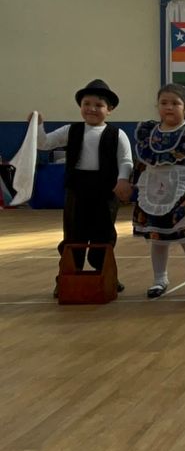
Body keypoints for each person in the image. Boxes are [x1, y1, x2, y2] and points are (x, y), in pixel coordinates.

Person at [37, 79, 133, 294]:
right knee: (73, 234)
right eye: (86, 104)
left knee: (104, 234)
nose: (91, 109)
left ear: (109, 110)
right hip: (77, 190)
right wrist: (38, 125)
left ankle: (106, 274)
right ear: (80, 107)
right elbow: (43, 144)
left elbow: (125, 161)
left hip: (106, 191)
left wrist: (123, 180)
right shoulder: (70, 130)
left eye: (98, 105)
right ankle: (66, 277)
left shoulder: (117, 135)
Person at [132, 83, 185, 298]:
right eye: (164, 103)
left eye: (175, 103)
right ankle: (159, 279)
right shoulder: (148, 132)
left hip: (184, 188)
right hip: (153, 188)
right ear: (158, 106)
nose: (169, 107)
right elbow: (141, 163)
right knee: (157, 236)